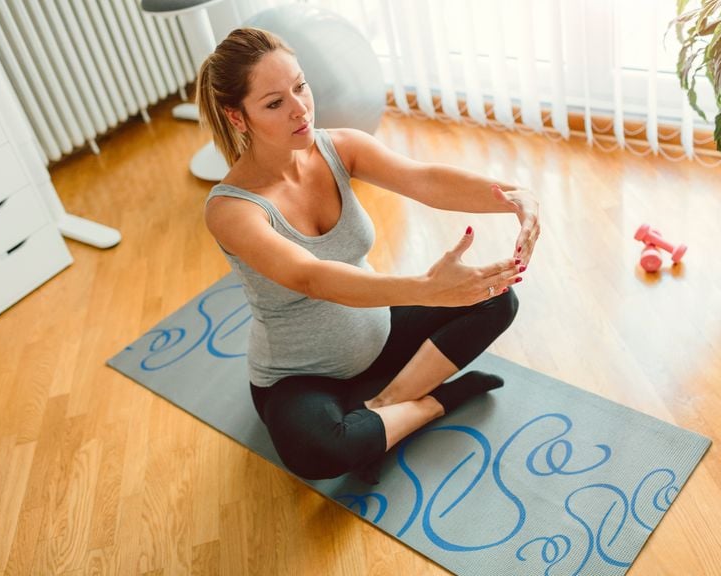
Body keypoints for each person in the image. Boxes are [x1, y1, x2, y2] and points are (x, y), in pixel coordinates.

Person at [196, 28, 540, 482]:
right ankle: (437, 401)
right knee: (317, 454)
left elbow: (425, 180)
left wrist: (514, 195)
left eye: (300, 86)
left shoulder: (340, 147)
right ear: (237, 118)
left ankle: (384, 406)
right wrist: (428, 290)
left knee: (496, 297)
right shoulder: (231, 209)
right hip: (301, 376)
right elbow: (311, 277)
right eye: (274, 103)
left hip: (380, 334)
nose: (300, 108)